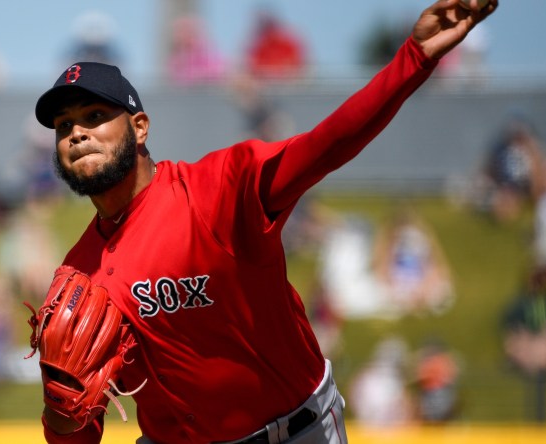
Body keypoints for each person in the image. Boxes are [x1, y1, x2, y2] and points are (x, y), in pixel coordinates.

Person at [30, 1, 497, 443]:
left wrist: (413, 59)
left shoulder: (218, 190)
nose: (77, 133)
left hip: (294, 433)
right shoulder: (77, 276)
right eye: (64, 126)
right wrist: (59, 408)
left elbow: (327, 144)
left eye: (94, 115)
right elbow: (75, 434)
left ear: (139, 127)